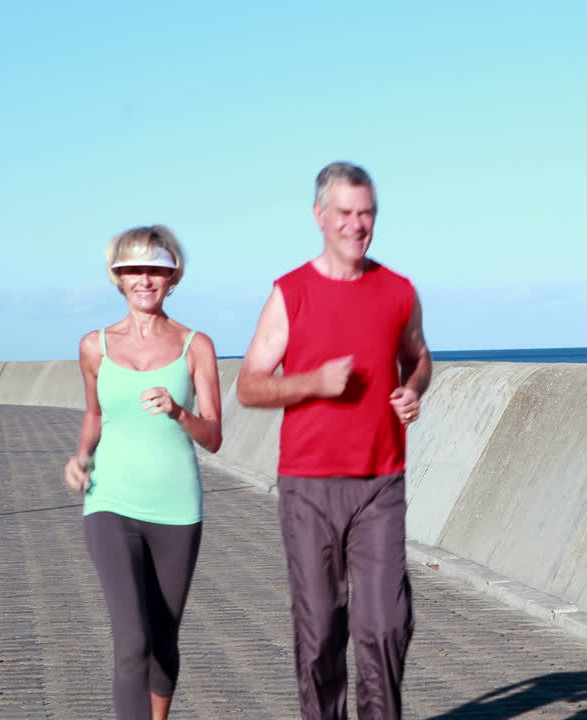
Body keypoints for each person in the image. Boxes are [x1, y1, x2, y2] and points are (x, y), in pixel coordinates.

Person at [237, 162, 431, 720]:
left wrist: (413, 388)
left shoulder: (398, 290)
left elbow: (418, 356)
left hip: (380, 483)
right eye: (344, 213)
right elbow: (249, 386)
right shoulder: (290, 292)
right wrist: (314, 384)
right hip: (308, 487)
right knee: (321, 630)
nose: (356, 224)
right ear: (319, 216)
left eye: (366, 213)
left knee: (386, 624)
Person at [63, 225, 222, 720]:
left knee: (162, 638)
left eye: (156, 269)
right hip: (110, 501)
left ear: (172, 277)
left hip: (176, 507)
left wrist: (177, 411)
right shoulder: (95, 346)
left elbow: (214, 435)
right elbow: (94, 413)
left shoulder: (197, 345)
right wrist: (82, 456)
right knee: (131, 639)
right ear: (117, 277)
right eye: (133, 269)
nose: (144, 279)